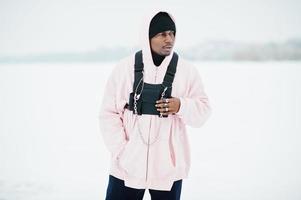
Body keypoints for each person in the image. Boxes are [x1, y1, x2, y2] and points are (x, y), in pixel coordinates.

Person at [99, 10, 211, 200]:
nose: (169, 39)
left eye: (172, 33)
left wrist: (181, 106)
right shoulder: (124, 69)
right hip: (126, 169)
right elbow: (107, 114)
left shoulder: (186, 71)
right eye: (162, 34)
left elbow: (203, 111)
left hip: (168, 171)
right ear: (148, 37)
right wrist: (122, 151)